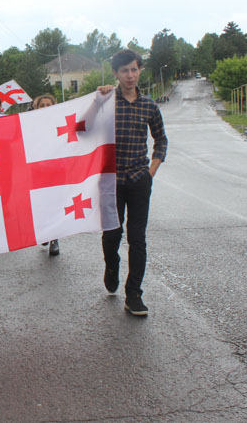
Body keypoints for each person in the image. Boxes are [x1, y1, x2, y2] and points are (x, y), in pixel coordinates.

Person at [98, 49, 168, 317]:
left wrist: (152, 169)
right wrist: (96, 101)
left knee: (138, 238)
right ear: (116, 73)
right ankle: (111, 265)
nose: (130, 75)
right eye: (125, 70)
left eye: (134, 69)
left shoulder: (149, 105)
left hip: (139, 179)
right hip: (111, 181)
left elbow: (161, 139)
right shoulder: (106, 101)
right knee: (112, 234)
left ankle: (134, 293)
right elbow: (82, 127)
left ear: (140, 71)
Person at [32, 94, 61, 256]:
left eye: (48, 105)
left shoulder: (60, 123)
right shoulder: (30, 125)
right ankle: (44, 231)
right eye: (41, 105)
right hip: (37, 171)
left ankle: (54, 238)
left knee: (55, 204)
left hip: (55, 171)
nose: (45, 108)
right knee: (41, 204)